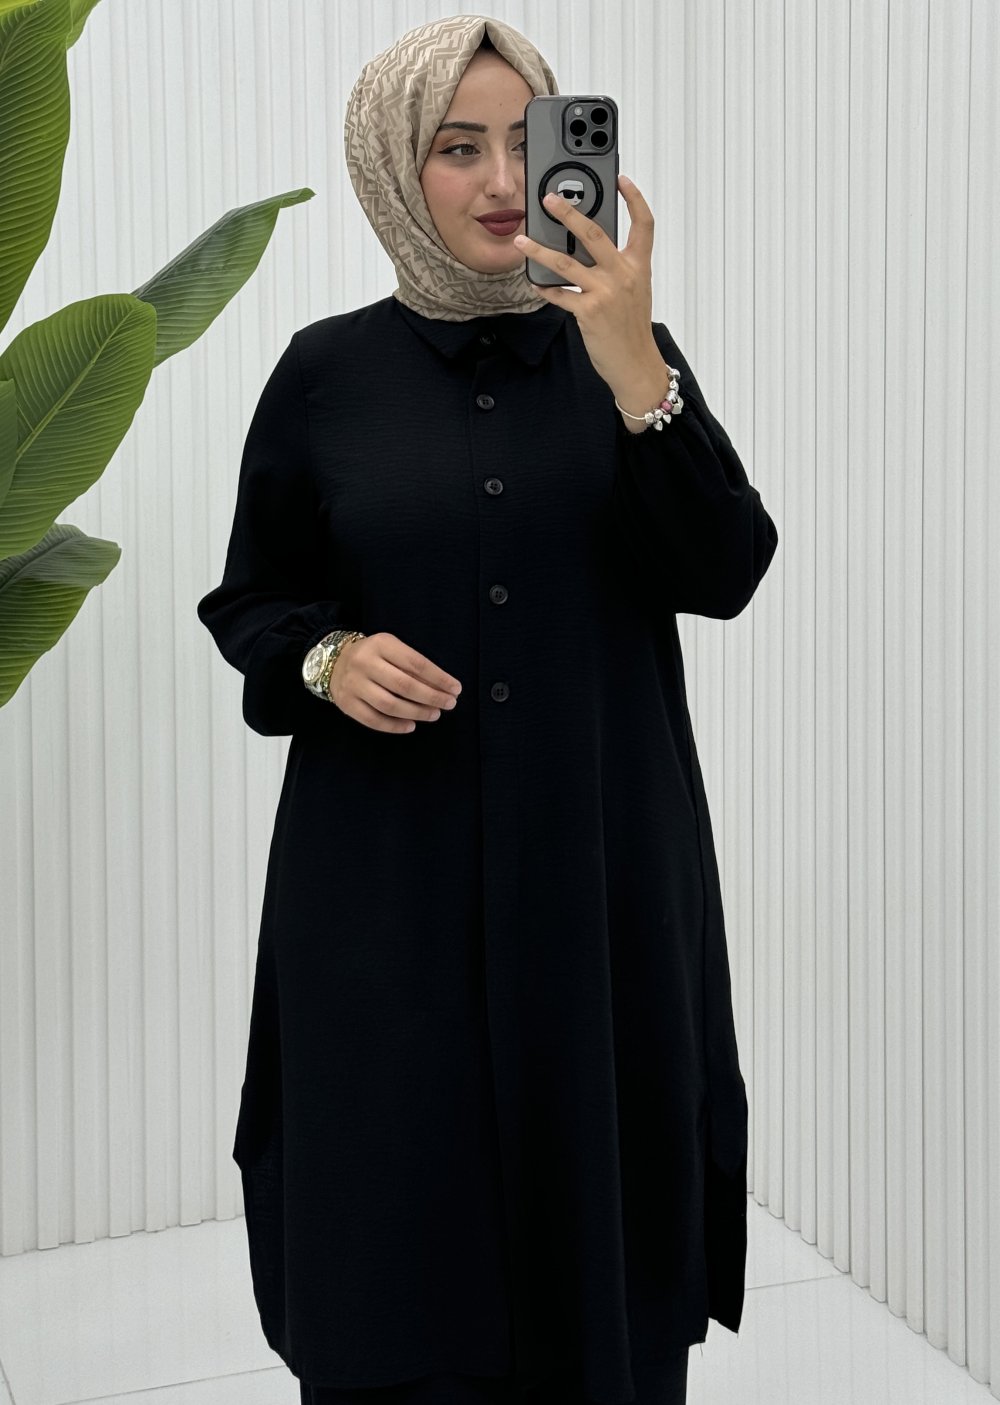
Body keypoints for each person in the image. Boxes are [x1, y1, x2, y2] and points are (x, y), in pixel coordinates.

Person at [197, 14, 778, 1405]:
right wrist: (329, 659)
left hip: (599, 873)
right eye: (458, 148)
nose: (505, 180)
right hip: (383, 885)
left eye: (529, 140)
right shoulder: (324, 374)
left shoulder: (631, 354)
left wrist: (638, 372)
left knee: (604, 1210)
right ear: (395, 167)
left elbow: (727, 572)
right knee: (394, 1211)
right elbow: (253, 601)